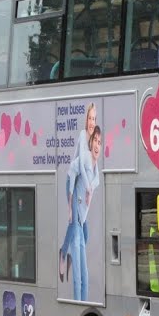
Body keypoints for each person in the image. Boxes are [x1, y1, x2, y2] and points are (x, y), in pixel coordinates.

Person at [63, 124, 102, 300]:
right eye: (95, 140)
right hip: (76, 214)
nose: (97, 145)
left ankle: (83, 304)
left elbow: (95, 183)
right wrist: (70, 207)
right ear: (90, 142)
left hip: (81, 219)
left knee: (84, 274)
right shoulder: (84, 159)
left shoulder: (96, 170)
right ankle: (78, 307)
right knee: (79, 275)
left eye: (100, 142)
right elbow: (71, 172)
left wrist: (90, 190)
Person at [59, 103, 98, 282]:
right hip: (73, 181)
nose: (92, 122)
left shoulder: (93, 140)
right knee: (75, 223)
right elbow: (82, 165)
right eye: (90, 118)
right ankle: (65, 254)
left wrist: (92, 185)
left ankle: (65, 252)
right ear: (86, 120)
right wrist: (70, 205)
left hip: (82, 186)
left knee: (82, 230)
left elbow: (95, 173)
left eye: (94, 119)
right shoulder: (84, 135)